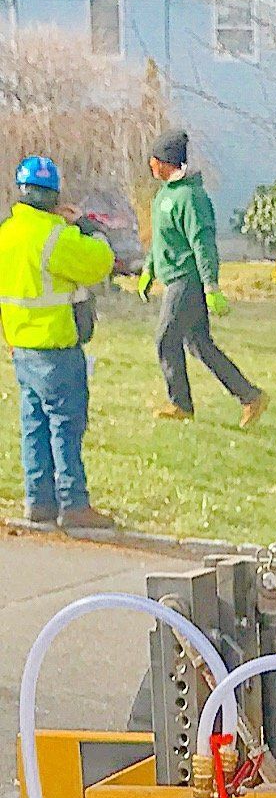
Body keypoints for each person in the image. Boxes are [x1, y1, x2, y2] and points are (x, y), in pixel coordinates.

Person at [0, 156, 116, 529]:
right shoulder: (57, 237)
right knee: (65, 427)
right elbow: (102, 261)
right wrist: (84, 224)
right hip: (57, 349)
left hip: (22, 349)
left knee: (33, 426)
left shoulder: (7, 233)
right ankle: (74, 504)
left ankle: (39, 502)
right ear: (54, 196)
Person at [138, 129, 268, 427]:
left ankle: (180, 404)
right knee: (199, 344)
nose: (150, 164)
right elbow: (160, 240)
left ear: (166, 162)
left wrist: (211, 285)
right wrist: (149, 269)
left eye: (154, 159)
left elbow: (202, 243)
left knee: (165, 339)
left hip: (187, 279)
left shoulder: (191, 197)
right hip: (172, 278)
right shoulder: (163, 196)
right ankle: (250, 397)